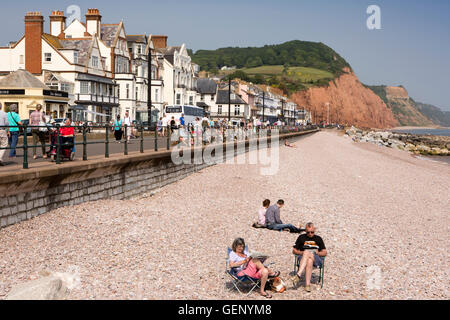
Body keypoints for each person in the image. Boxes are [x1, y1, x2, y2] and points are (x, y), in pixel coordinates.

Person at [291, 223, 327, 292]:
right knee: (309, 260)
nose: (310, 234)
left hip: (316, 257)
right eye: (308, 232)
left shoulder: (318, 238)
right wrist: (302, 253)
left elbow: (325, 252)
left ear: (314, 230)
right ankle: (307, 285)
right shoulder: (301, 237)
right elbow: (294, 250)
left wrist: (318, 253)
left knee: (307, 253)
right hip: (303, 257)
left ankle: (298, 274)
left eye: (312, 232)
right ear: (305, 231)